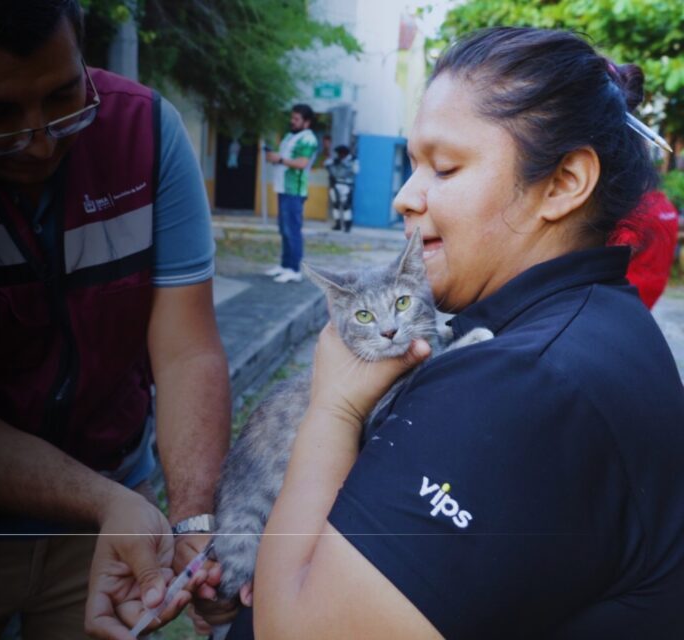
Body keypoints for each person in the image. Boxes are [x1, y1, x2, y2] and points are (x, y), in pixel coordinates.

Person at [205, 27, 684, 639]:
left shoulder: (525, 381)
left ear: (564, 184)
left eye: (445, 166)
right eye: (411, 165)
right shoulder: (589, 322)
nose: (405, 197)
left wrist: (333, 405)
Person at [0, 2, 233, 639]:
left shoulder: (146, 132)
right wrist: (106, 501)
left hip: (109, 520)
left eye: (65, 96)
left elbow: (187, 354)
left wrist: (194, 526)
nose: (40, 140)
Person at [264, 104, 319, 284]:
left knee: (292, 230)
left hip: (295, 191)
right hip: (283, 188)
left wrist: (279, 159)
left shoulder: (308, 139)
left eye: (296, 119)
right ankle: (285, 265)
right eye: (292, 118)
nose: (292, 121)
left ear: (306, 122)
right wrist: (274, 158)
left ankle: (294, 270)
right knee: (283, 229)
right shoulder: (289, 136)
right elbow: (285, 159)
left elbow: (302, 163)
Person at [608, 189, 679, 309]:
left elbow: (620, 249)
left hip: (632, 284)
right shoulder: (668, 206)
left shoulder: (639, 209)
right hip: (658, 282)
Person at [325, 144, 359, 232]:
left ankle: (347, 225)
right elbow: (327, 164)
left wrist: (346, 163)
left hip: (346, 185)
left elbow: (356, 171)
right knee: (336, 205)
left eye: (341, 154)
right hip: (336, 184)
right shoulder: (335, 161)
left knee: (346, 206)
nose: (340, 155)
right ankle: (338, 224)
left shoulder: (353, 161)